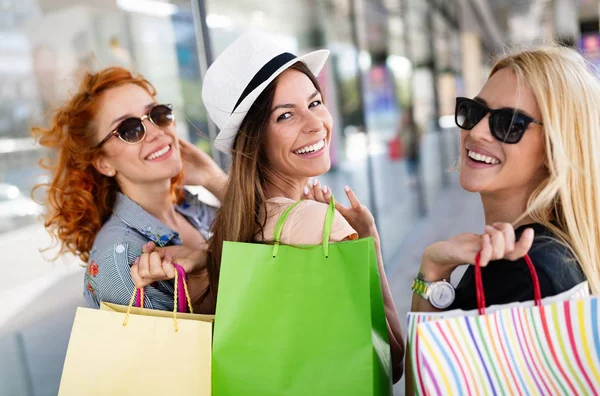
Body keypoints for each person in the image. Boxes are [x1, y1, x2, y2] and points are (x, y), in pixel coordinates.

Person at [133, 32, 405, 382]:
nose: (314, 124)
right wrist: (370, 242)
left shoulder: (231, 229)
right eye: (285, 116)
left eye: (315, 102)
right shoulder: (318, 222)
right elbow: (391, 363)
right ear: (255, 140)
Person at [407, 45, 598, 393]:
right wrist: (433, 268)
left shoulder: (520, 269)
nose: (477, 132)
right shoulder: (554, 249)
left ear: (556, 148)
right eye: (473, 111)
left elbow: (423, 388)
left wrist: (431, 273)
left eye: (508, 123)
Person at [31, 66, 227, 311]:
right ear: (103, 163)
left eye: (158, 114)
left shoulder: (189, 206)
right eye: (129, 130)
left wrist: (214, 179)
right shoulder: (119, 262)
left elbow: (274, 243)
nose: (156, 132)